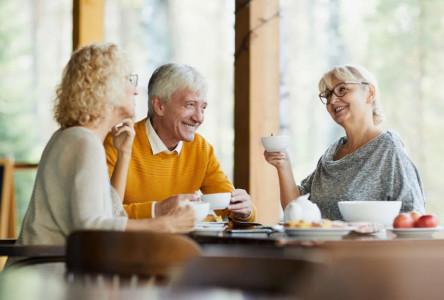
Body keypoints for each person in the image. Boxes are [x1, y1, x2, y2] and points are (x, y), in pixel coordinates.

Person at [9, 44, 196, 260]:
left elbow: (108, 212)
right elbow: (91, 228)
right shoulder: (83, 142)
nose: (136, 90)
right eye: (129, 80)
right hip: (48, 273)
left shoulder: (74, 137)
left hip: (51, 268)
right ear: (108, 87)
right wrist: (164, 225)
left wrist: (124, 153)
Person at [264, 65, 425, 220]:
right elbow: (297, 209)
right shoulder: (332, 153)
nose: (333, 100)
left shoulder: (389, 148)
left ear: (369, 93)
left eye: (342, 90)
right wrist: (282, 164)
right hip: (319, 248)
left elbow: (413, 215)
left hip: (366, 248)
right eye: (327, 95)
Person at [104, 63, 256, 221]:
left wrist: (245, 211)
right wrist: (159, 209)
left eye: (203, 107)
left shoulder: (201, 149)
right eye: (190, 105)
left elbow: (229, 209)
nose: (199, 118)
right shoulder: (118, 142)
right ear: (159, 106)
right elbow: (103, 215)